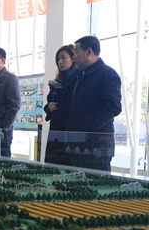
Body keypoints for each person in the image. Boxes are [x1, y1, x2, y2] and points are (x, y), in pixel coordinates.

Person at [66, 36, 121, 172]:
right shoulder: (80, 75)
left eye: (76, 52)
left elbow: (113, 106)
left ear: (89, 52)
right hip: (77, 144)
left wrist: (88, 125)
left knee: (96, 183)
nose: (74, 57)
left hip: (97, 146)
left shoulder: (108, 74)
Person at [43, 45, 79, 165]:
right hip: (55, 130)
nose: (60, 61)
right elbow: (48, 104)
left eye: (64, 57)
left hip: (69, 129)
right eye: (58, 58)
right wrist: (49, 107)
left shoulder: (78, 79)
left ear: (73, 58)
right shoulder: (57, 81)